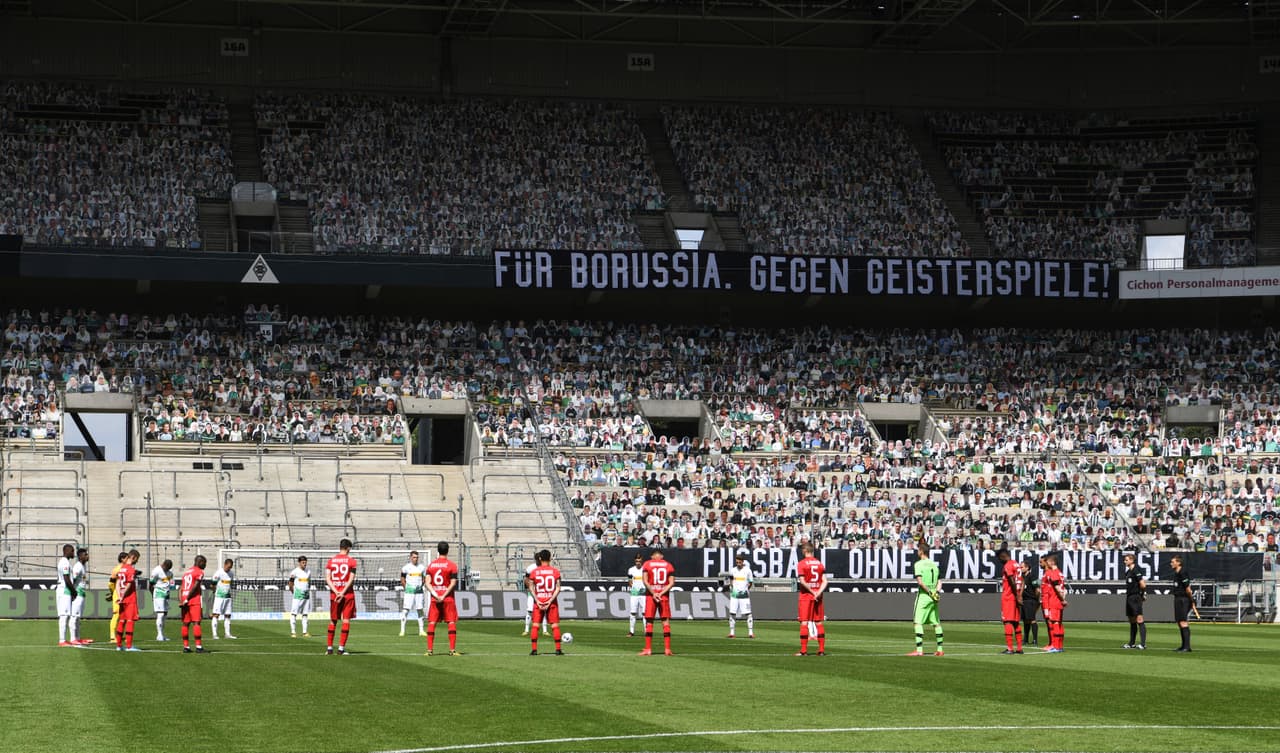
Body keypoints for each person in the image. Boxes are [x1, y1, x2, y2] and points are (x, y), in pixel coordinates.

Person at [425, 541, 459, 656]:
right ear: (447, 550)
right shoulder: (452, 566)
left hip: (435, 599)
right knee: (451, 622)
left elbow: (427, 583)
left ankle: (429, 650)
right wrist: (443, 595)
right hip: (448, 599)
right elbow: (453, 583)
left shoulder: (431, 565)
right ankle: (452, 650)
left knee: (432, 622)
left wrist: (435, 594)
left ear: (438, 550)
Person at [639, 548, 676, 656]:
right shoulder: (669, 565)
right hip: (663, 596)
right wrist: (661, 593)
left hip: (651, 596)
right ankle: (667, 649)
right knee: (665, 622)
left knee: (649, 622)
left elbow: (645, 581)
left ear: (653, 556)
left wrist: (654, 593)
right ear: (661, 556)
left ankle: (648, 649)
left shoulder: (647, 564)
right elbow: (672, 583)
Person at [909, 541, 943, 656]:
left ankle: (919, 651)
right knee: (936, 623)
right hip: (934, 596)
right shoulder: (934, 564)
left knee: (917, 622)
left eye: (918, 550)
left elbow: (920, 582)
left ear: (921, 551)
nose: (917, 552)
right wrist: (936, 592)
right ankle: (940, 649)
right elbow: (940, 581)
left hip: (924, 596)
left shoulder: (918, 564)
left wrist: (929, 592)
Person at [325, 538, 358, 655]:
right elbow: (351, 578)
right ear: (348, 548)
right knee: (346, 620)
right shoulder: (352, 561)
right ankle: (340, 649)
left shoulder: (331, 561)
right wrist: (343, 592)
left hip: (334, 595)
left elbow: (327, 579)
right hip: (347, 595)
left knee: (333, 621)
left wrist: (336, 591)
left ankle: (329, 648)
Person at [528, 549, 564, 655]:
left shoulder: (534, 572)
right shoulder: (555, 572)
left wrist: (537, 600)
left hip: (539, 601)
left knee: (535, 625)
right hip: (551, 602)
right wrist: (550, 601)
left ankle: (534, 650)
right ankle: (558, 649)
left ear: (539, 558)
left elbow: (531, 587)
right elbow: (558, 588)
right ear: (550, 558)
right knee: (554, 626)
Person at [796, 543, 827, 656]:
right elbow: (825, 581)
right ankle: (821, 650)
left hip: (806, 596)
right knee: (818, 622)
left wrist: (812, 591)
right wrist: (818, 592)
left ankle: (803, 651)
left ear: (804, 550)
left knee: (804, 622)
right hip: (818, 596)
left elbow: (803, 581)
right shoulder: (819, 563)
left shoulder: (801, 564)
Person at [997, 548, 1023, 654]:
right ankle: (1019, 648)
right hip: (1015, 596)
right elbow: (1022, 580)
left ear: (1003, 556)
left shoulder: (1007, 565)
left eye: (999, 559)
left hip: (1009, 597)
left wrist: (1016, 595)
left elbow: (1011, 580)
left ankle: (1010, 648)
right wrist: (1019, 595)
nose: (1000, 561)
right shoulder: (1016, 564)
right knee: (1016, 622)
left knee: (1007, 621)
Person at [115, 549, 142, 652]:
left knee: (122, 621)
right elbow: (129, 584)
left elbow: (117, 583)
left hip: (122, 599)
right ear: (133, 557)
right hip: (129, 599)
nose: (137, 561)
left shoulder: (121, 568)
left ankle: (118, 645)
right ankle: (129, 646)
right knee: (130, 621)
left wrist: (119, 596)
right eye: (137, 559)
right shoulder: (130, 569)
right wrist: (123, 596)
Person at [180, 555, 207, 653]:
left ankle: (186, 647)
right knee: (196, 622)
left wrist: (182, 600)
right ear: (200, 562)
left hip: (184, 598)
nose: (205, 565)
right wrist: (188, 598)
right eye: (204, 563)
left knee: (185, 623)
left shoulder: (186, 572)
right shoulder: (199, 572)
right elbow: (195, 586)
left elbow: (181, 588)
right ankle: (199, 647)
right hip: (193, 599)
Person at [1041, 554, 1067, 653]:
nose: (1047, 564)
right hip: (1058, 601)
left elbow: (1057, 588)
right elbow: (1063, 589)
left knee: (1055, 623)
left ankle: (1055, 646)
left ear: (1052, 562)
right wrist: (1062, 599)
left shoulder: (1053, 573)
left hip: (1054, 601)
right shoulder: (1060, 573)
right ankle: (1059, 646)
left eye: (1048, 562)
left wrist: (1062, 599)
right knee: (1059, 623)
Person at [726, 552, 755, 639]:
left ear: (743, 562)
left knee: (748, 614)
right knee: (732, 613)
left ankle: (750, 633)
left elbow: (750, 583)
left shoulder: (748, 571)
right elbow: (731, 580)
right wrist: (732, 587)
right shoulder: (733, 570)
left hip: (744, 595)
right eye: (737, 562)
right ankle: (732, 632)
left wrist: (745, 590)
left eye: (739, 562)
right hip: (735, 594)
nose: (738, 564)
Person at [1122, 553, 1148, 650]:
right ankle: (1131, 643)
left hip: (1135, 597)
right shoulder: (1128, 571)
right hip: (1129, 597)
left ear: (1132, 560)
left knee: (1139, 619)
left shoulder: (1136, 570)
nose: (1125, 561)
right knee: (1132, 620)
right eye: (1125, 560)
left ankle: (1143, 644)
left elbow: (1143, 584)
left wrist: (1143, 594)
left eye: (1126, 560)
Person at [400, 551, 427, 638]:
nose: (416, 559)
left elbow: (424, 578)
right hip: (409, 592)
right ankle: (402, 630)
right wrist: (406, 588)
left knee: (420, 610)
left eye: (417, 557)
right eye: (414, 557)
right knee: (406, 610)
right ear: (411, 558)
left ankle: (421, 630)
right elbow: (402, 578)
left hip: (419, 592)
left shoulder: (422, 567)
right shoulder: (406, 568)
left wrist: (421, 586)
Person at [209, 558, 237, 639]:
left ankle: (227, 634)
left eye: (230, 567)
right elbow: (212, 584)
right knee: (216, 615)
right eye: (228, 567)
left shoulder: (231, 573)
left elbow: (230, 584)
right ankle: (215, 634)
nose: (229, 569)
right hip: (219, 597)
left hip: (228, 597)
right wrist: (215, 591)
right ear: (225, 565)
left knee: (228, 615)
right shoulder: (218, 573)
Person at [56, 544, 77, 646]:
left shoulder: (65, 562)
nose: (73, 553)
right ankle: (62, 640)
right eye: (72, 551)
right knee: (64, 615)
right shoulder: (64, 562)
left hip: (65, 590)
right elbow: (66, 578)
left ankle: (63, 639)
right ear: (67, 551)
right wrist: (74, 591)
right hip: (64, 590)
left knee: (66, 615)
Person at [521, 555, 547, 637]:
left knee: (543, 610)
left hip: (542, 593)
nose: (539, 561)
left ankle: (545, 630)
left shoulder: (546, 567)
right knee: (529, 610)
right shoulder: (531, 568)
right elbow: (526, 579)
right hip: (532, 593)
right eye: (537, 559)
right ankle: (526, 630)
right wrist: (529, 587)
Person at [69, 548, 91, 645]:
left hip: (81, 593)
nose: (87, 556)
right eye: (86, 554)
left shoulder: (82, 566)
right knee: (74, 616)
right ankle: (73, 638)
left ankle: (77, 638)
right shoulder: (78, 566)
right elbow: (72, 579)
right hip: (77, 593)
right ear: (81, 556)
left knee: (78, 617)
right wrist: (73, 593)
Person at [1171, 555, 1193, 652]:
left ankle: (1187, 646)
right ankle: (1183, 645)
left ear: (1178, 563)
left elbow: (1188, 589)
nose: (1171, 564)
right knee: (1179, 622)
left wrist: (1191, 600)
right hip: (1178, 598)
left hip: (1183, 599)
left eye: (1173, 562)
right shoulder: (1176, 573)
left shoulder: (1183, 572)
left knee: (1183, 622)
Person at [287, 555, 311, 638]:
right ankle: (293, 632)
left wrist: (308, 590)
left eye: (305, 562)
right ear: (299, 563)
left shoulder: (308, 571)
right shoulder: (295, 572)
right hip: (297, 595)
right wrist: (293, 591)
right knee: (294, 613)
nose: (304, 564)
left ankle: (305, 632)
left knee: (305, 614)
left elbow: (309, 582)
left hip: (306, 595)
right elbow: (290, 583)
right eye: (303, 562)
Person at [150, 559, 175, 641]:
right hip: (158, 593)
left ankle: (162, 634)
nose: (167, 570)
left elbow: (168, 583)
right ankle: (159, 635)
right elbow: (151, 584)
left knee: (164, 615)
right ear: (164, 565)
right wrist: (152, 596)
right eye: (167, 568)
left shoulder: (170, 573)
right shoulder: (156, 571)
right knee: (160, 614)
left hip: (166, 594)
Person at [108, 551, 127, 646]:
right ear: (122, 559)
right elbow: (111, 583)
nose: (128, 560)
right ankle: (112, 636)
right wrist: (113, 593)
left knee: (124, 615)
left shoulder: (126, 568)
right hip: (118, 594)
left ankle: (120, 634)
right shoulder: (116, 569)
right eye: (127, 558)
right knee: (116, 614)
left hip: (125, 594)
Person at [1020, 559, 1040, 647]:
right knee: (1025, 620)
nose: (1020, 569)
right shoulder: (1023, 576)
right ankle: (1026, 639)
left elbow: (1038, 588)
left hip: (1031, 600)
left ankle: (1035, 640)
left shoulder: (1033, 576)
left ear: (1027, 568)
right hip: (1024, 600)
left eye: (1022, 567)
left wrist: (1036, 599)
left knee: (1032, 619)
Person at [626, 553, 647, 637]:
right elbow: (630, 582)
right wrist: (634, 588)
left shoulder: (645, 569)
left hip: (643, 593)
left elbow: (648, 581)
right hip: (634, 593)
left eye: (639, 561)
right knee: (633, 612)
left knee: (645, 613)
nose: (638, 562)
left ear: (642, 561)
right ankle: (631, 631)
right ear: (635, 561)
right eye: (637, 561)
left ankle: (646, 632)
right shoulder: (631, 570)